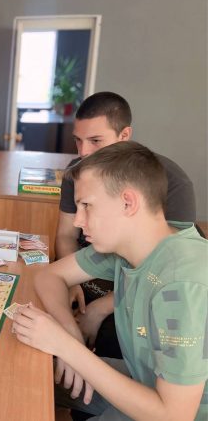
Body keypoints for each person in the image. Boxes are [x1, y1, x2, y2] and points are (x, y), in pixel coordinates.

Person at [14, 142, 207, 420]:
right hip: (143, 380)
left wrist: (66, 347)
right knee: (24, 373)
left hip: (169, 410)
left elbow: (173, 415)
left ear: (128, 203)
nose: (78, 221)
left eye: (87, 206)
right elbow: (49, 275)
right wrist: (69, 335)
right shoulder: (127, 245)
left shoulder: (181, 285)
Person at [54, 92, 196, 358]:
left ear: (124, 135)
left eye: (96, 141)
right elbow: (65, 235)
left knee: (110, 341)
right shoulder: (78, 171)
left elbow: (163, 261)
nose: (83, 152)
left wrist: (101, 308)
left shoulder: (172, 181)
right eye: (78, 140)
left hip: (131, 291)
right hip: (84, 270)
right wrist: (70, 284)